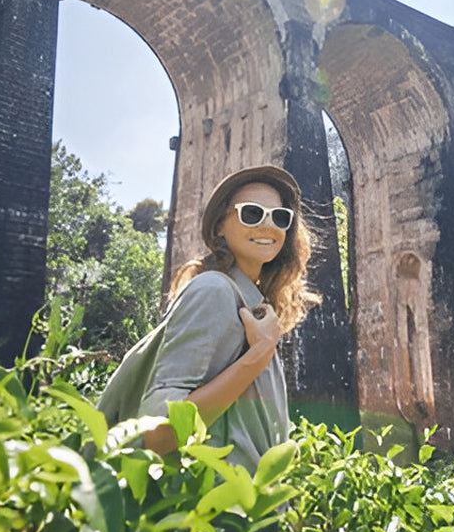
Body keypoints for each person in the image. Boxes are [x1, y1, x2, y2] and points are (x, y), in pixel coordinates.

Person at [137, 164, 320, 470]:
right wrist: (258, 357)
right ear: (220, 225)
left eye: (279, 217)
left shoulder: (250, 303)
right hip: (217, 497)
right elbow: (157, 436)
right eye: (252, 213)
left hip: (246, 497)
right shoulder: (214, 290)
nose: (268, 225)